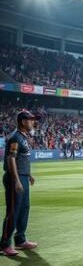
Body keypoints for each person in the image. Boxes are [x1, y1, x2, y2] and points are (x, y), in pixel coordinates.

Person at [1, 110, 39, 257]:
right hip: (14, 178)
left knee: (24, 208)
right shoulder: (15, 137)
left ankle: (20, 240)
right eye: (30, 120)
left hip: (22, 176)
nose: (33, 122)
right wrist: (16, 180)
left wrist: (28, 174)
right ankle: (4, 245)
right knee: (13, 211)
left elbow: (22, 159)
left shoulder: (23, 137)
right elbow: (11, 159)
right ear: (23, 121)